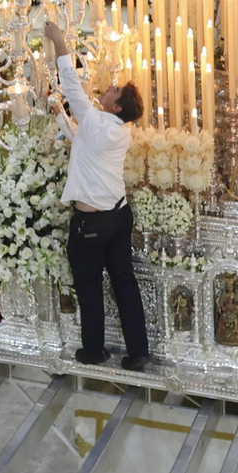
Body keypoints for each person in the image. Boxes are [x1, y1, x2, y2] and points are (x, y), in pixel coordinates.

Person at [41, 20, 149, 372]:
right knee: (124, 283)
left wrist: (59, 42)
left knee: (88, 287)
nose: (108, 87)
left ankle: (94, 351)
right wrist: (61, 118)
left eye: (113, 91)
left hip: (90, 224)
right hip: (118, 217)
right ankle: (138, 352)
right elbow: (83, 143)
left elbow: (70, 84)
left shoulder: (96, 120)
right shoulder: (117, 130)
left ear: (116, 107)